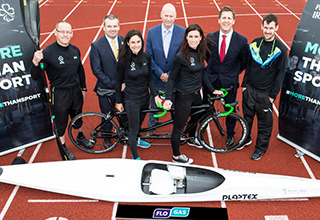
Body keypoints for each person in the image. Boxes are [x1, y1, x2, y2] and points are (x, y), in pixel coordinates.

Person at [163, 24, 224, 164]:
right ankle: (176, 156)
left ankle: (191, 138)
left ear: (201, 38)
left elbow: (202, 73)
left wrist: (213, 89)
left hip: (197, 95)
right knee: (179, 127)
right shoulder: (180, 56)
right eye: (190, 36)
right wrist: (167, 98)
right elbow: (172, 78)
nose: (193, 39)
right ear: (186, 37)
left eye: (196, 36)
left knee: (197, 118)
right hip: (184, 96)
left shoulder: (201, 52)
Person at [30, 21, 91, 159]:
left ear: (72, 34)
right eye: (62, 32)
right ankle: (63, 147)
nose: (65, 35)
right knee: (61, 122)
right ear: (55, 32)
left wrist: (84, 88)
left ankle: (80, 135)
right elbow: (35, 76)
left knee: (77, 117)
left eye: (68, 32)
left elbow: (80, 70)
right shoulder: (47, 52)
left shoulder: (75, 50)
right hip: (59, 93)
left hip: (75, 91)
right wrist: (35, 62)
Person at [241, 14, 287, 160]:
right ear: (261, 26)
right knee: (247, 118)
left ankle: (260, 149)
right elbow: (249, 65)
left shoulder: (280, 49)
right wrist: (244, 86)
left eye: (271, 28)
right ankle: (245, 138)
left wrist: (272, 96)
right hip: (250, 90)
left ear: (276, 28)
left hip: (265, 94)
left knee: (264, 124)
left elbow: (280, 74)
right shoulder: (255, 43)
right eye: (265, 27)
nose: (267, 31)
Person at [203, 6, 249, 148]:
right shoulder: (210, 37)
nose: (226, 21)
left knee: (229, 108)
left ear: (234, 21)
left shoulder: (241, 41)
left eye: (229, 18)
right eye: (224, 18)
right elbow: (206, 56)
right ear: (219, 20)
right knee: (205, 105)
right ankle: (202, 128)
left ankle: (230, 134)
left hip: (229, 81)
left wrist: (232, 72)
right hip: (211, 79)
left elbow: (244, 61)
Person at [115, 29, 162, 160]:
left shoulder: (146, 57)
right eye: (133, 42)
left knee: (140, 123)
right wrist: (118, 101)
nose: (136, 45)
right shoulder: (123, 61)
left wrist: (155, 95)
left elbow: (150, 79)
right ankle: (135, 157)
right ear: (128, 44)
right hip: (131, 99)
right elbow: (118, 81)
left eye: (138, 41)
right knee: (133, 128)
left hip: (144, 98)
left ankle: (136, 140)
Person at [145, 3, 185, 137]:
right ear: (161, 15)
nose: (168, 18)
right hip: (157, 77)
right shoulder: (151, 32)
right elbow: (148, 56)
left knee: (175, 106)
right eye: (166, 15)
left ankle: (176, 131)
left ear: (175, 16)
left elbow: (183, 56)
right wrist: (160, 73)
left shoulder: (183, 32)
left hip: (175, 78)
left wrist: (169, 74)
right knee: (154, 105)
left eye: (171, 16)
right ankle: (151, 128)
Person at [89, 14, 129, 148]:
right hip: (106, 88)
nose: (112, 29)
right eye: (109, 26)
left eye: (115, 26)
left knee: (124, 112)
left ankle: (124, 133)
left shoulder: (125, 41)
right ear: (104, 27)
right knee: (107, 115)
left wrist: (125, 83)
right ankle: (106, 137)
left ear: (119, 26)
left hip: (124, 87)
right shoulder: (96, 45)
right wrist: (115, 85)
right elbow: (97, 71)